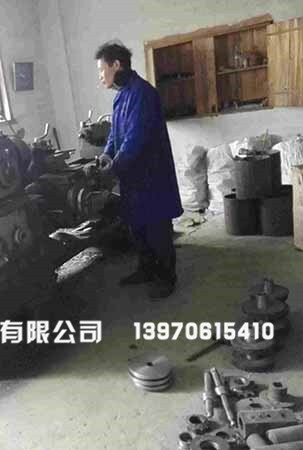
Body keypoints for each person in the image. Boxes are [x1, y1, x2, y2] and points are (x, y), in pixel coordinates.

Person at [95, 41, 183, 299]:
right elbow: (115, 134)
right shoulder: (121, 96)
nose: (100, 76)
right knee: (138, 227)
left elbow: (136, 138)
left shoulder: (143, 93)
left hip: (151, 175)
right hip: (132, 177)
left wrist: (114, 166)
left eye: (102, 69)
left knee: (157, 228)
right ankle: (146, 269)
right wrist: (106, 154)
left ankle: (166, 278)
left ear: (116, 65)